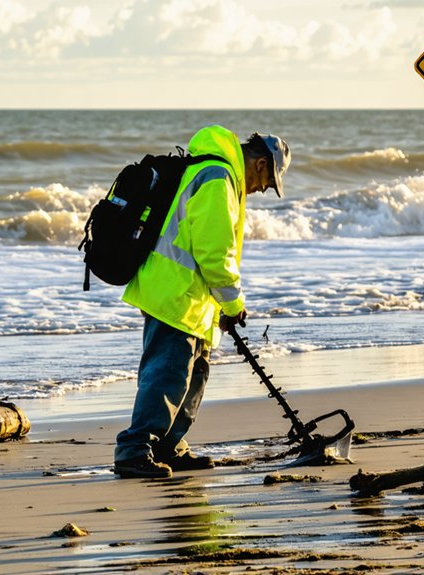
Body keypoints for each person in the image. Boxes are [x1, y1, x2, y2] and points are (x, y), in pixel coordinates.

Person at [114, 125, 291, 479]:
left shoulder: (218, 174)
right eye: (266, 183)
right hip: (174, 293)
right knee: (168, 374)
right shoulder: (217, 177)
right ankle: (134, 450)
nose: (260, 191)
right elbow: (214, 253)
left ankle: (169, 446)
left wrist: (221, 306)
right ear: (261, 165)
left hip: (194, 298)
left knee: (194, 375)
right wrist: (233, 303)